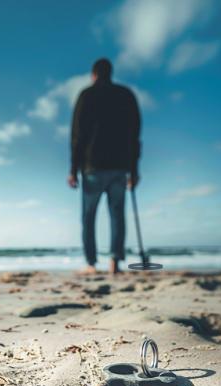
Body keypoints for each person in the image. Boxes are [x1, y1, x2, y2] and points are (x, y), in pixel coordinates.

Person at [68, 57, 141, 275]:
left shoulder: (87, 95)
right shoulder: (125, 95)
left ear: (94, 74)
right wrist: (134, 170)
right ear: (110, 73)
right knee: (117, 215)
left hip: (92, 166)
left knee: (89, 217)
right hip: (120, 166)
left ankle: (91, 263)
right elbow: (134, 135)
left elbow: (77, 135)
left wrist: (73, 169)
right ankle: (114, 263)